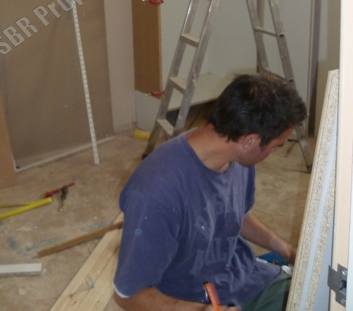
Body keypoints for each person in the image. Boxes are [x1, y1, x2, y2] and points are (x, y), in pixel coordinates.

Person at [113, 73, 307, 311]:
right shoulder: (156, 192)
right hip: (188, 300)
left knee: (312, 298)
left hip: (244, 278)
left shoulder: (236, 158)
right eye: (277, 146)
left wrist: (286, 250)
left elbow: (236, 214)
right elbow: (127, 295)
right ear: (250, 141)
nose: (274, 153)